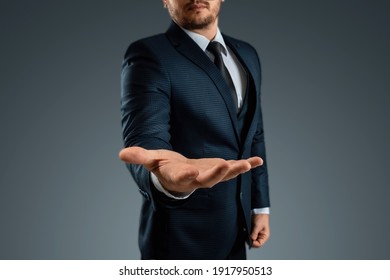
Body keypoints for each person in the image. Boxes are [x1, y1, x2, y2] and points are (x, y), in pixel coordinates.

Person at [119, 0, 270, 259]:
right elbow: (146, 136)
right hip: (180, 237)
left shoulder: (247, 53)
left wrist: (260, 207)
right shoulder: (149, 54)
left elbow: (253, 132)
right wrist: (166, 178)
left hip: (237, 228)